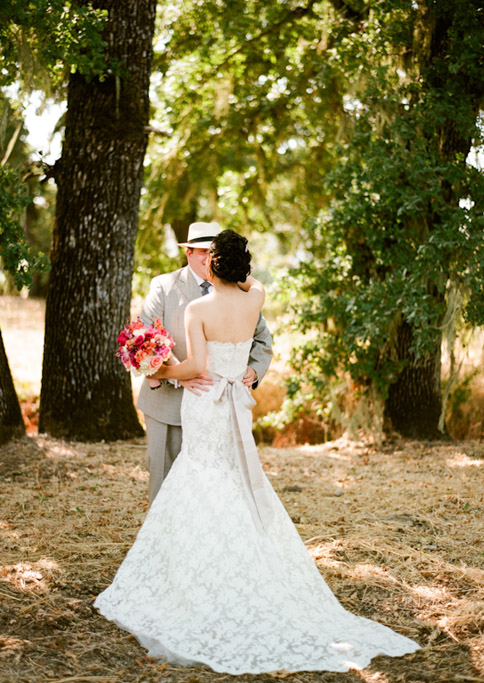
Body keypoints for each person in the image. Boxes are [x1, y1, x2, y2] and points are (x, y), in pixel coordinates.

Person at [95, 230, 420, 674]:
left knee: (198, 477)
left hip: (205, 403)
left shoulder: (198, 308)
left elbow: (195, 368)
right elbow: (250, 287)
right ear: (241, 266)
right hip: (235, 404)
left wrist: (160, 366)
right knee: (233, 477)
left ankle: (196, 578)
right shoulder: (256, 298)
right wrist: (238, 276)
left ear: (212, 263)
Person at [136, 221, 273, 504]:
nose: (207, 258)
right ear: (188, 252)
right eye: (202, 252)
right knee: (165, 486)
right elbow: (144, 336)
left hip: (223, 409)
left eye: (213, 252)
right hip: (167, 403)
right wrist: (175, 374)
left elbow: (262, 342)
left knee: (217, 487)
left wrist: (253, 370)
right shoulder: (164, 286)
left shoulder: (241, 294)